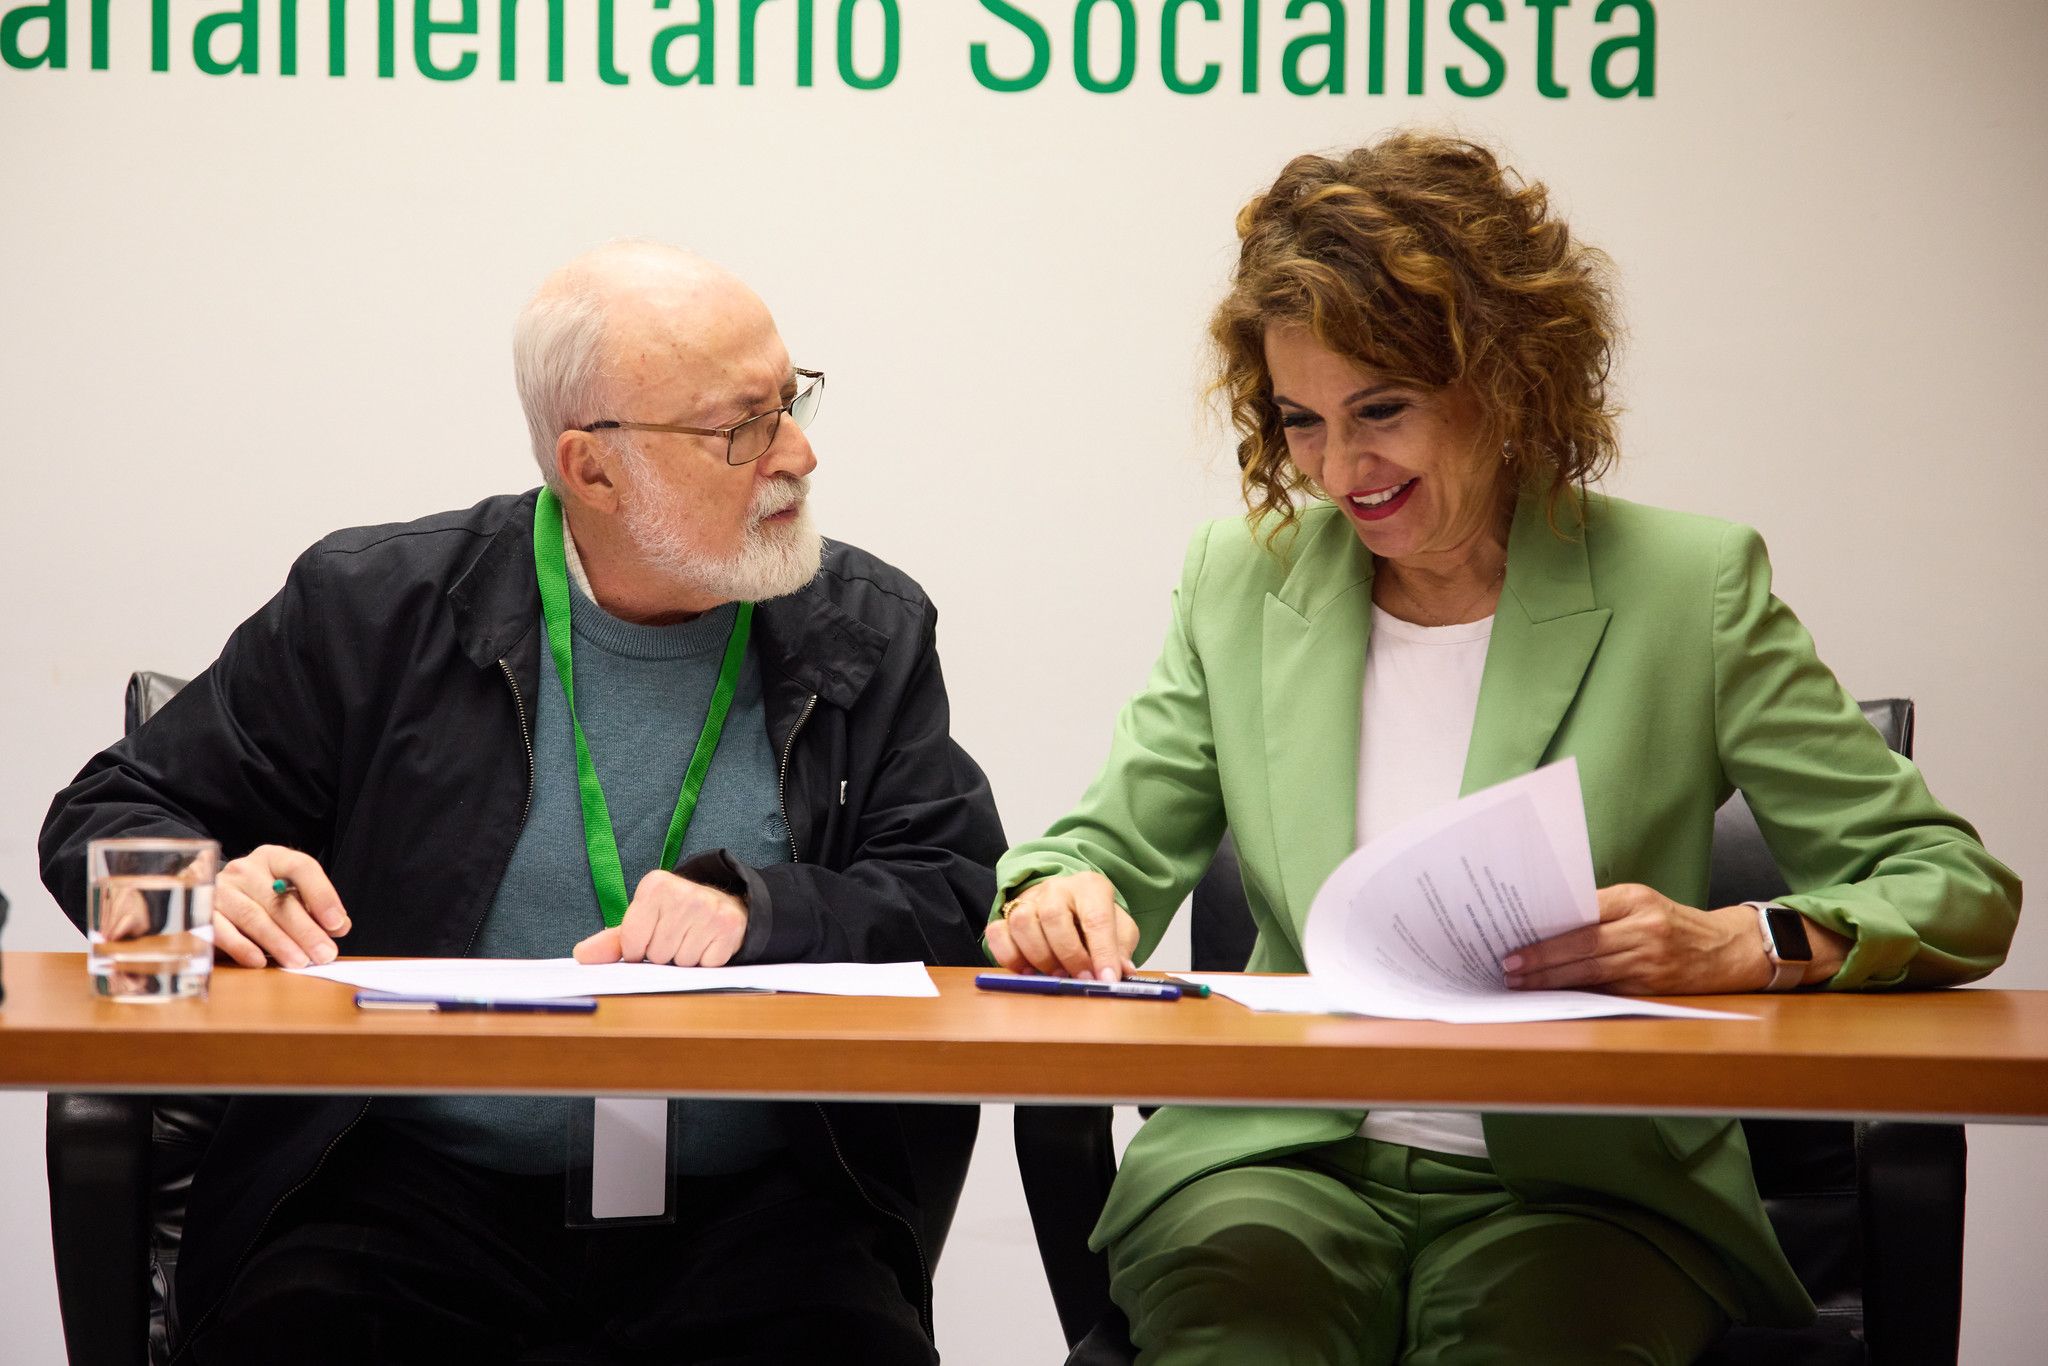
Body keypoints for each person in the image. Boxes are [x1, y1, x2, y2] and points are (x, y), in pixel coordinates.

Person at [986, 134, 2021, 1364]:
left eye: (1382, 409)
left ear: (1510, 377)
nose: (1339, 469)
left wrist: (1741, 940)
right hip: (1269, 1161)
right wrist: (1056, 892)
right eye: (1301, 421)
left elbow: (1949, 887)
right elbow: (1104, 843)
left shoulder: (1686, 587)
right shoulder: (1239, 581)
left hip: (1584, 1188)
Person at [40, 240, 1003, 1365]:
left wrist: (766, 915)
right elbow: (101, 815)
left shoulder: (866, 628)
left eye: (789, 401)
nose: (797, 452)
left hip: (756, 1212)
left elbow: (948, 890)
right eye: (738, 427)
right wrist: (200, 893)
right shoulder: (373, 608)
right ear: (591, 469)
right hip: (406, 1195)